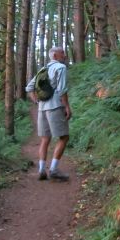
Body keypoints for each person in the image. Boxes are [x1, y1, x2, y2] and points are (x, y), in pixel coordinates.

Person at [25, 46, 72, 181]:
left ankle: (41, 170)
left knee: (45, 139)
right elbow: (62, 89)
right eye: (62, 52)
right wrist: (67, 107)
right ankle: (53, 169)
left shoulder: (43, 70)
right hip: (55, 107)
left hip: (42, 109)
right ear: (55, 55)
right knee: (64, 137)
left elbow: (29, 88)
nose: (64, 54)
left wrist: (37, 101)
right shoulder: (61, 68)